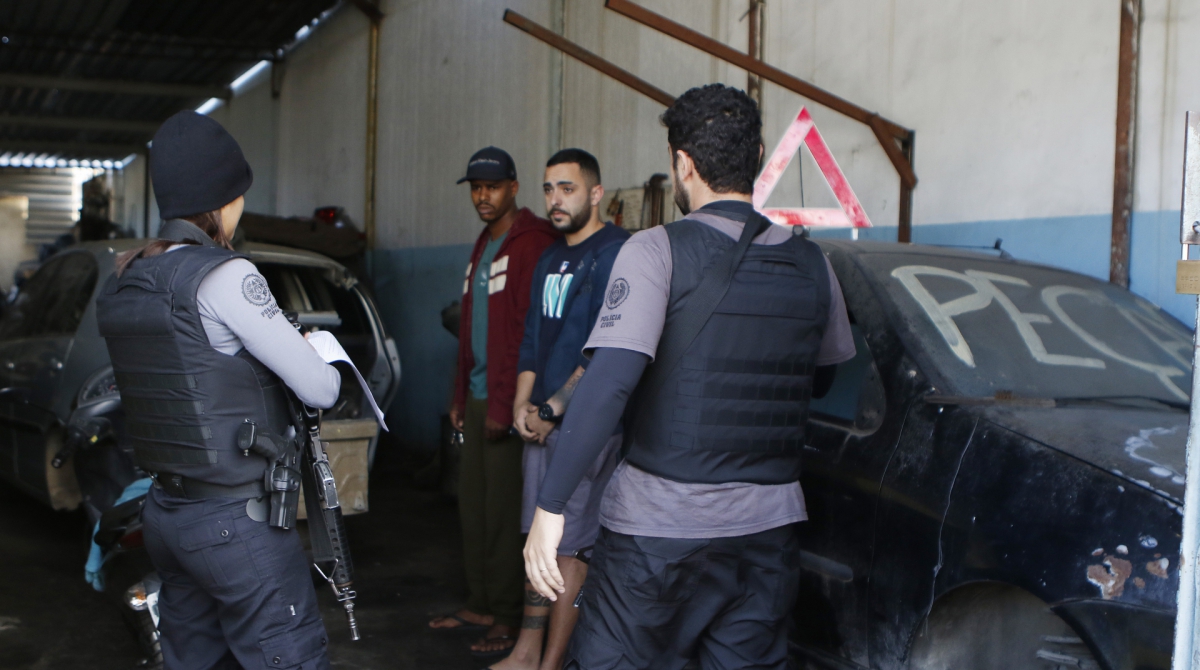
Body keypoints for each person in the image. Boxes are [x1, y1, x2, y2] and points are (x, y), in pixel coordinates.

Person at [523, 84, 858, 669]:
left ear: (683, 163)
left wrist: (550, 507)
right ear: (756, 156)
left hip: (658, 535)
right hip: (767, 536)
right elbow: (822, 378)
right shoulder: (812, 262)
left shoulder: (655, 250)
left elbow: (609, 382)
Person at [95, 111, 341, 669]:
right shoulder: (226, 275)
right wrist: (307, 349)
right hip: (236, 526)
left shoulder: (128, 276)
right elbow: (322, 388)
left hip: (166, 515)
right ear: (224, 198)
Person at [496, 149, 629, 670]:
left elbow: (601, 348)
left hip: (587, 428)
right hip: (543, 425)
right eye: (549, 188)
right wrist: (521, 405)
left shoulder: (616, 252)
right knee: (537, 538)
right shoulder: (551, 257)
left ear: (596, 194)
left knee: (570, 548)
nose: (555, 199)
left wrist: (550, 409)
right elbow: (532, 338)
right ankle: (527, 651)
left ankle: (552, 662)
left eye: (567, 189)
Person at [430, 147, 559, 656]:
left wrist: (507, 405)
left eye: (492, 187)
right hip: (479, 397)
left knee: (507, 515)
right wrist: (460, 394)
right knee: (475, 511)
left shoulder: (531, 244)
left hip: (509, 402)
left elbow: (528, 334)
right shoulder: (484, 244)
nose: (483, 196)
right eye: (476, 188)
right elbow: (470, 328)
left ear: (514, 188)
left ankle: (508, 615)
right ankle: (482, 601)